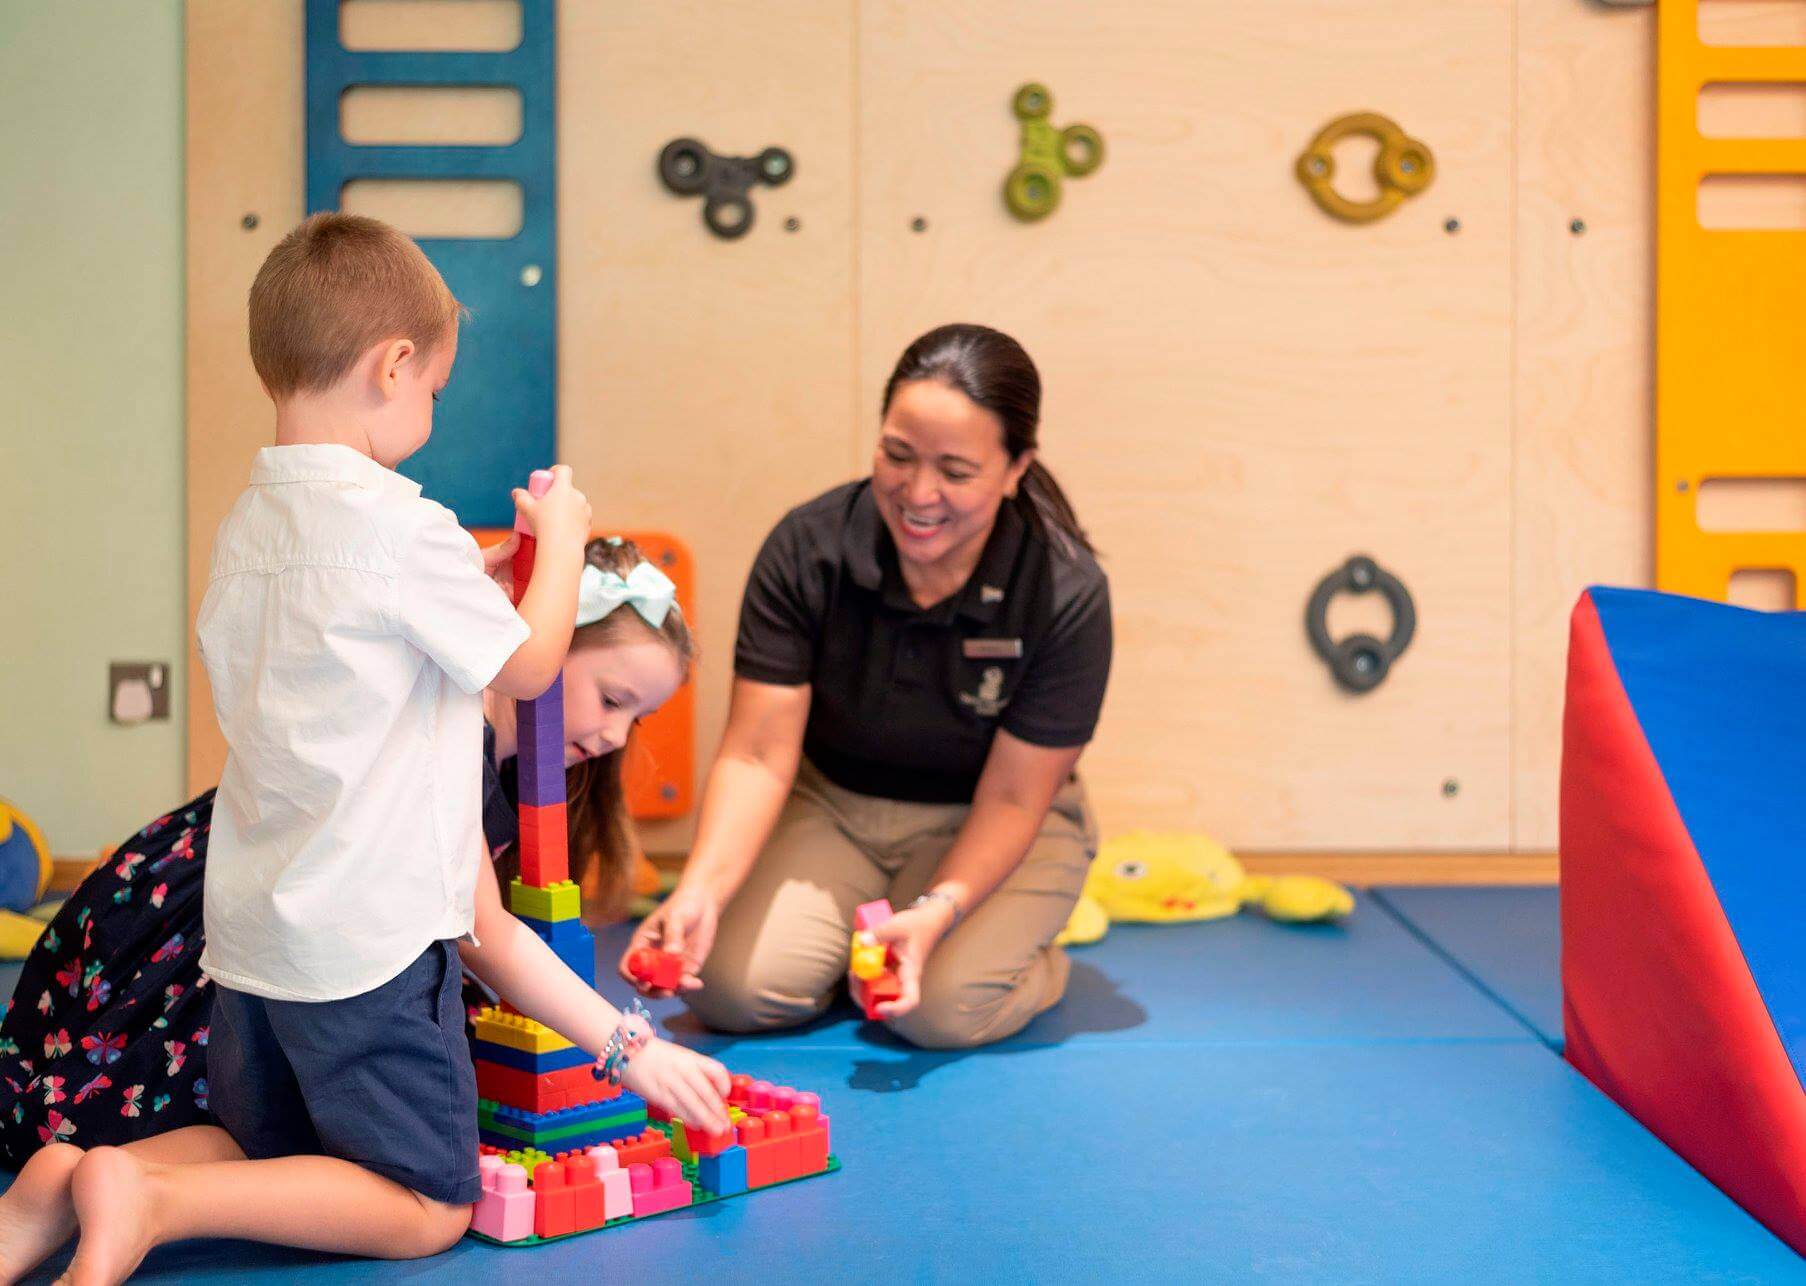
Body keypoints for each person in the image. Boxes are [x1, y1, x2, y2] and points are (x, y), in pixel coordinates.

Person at [0, 213, 727, 1285]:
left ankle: (58, 1188)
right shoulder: (401, 527)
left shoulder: (250, 528)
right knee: (431, 1200)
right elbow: (527, 666)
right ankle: (149, 1192)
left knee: (270, 1148)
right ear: (393, 364)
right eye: (433, 386)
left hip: (252, 943)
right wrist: (562, 540)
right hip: (366, 955)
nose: (430, 407)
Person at [624, 323, 1112, 1051]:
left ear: (1016, 469)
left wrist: (941, 910)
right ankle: (862, 944)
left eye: (956, 470)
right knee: (729, 990)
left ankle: (1031, 958)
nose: (919, 493)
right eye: (897, 454)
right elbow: (758, 754)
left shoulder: (1064, 589)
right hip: (836, 808)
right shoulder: (807, 548)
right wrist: (699, 889)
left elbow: (1015, 796)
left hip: (991, 815)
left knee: (937, 1013)